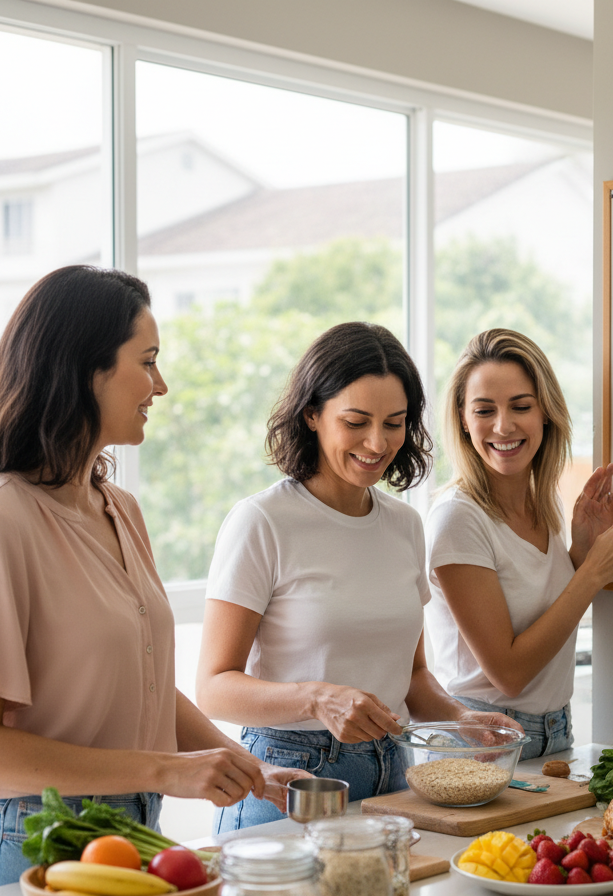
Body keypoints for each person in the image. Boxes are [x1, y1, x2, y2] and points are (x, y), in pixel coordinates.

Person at [0, 266, 308, 890]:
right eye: (147, 361)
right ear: (84, 369)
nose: (161, 385)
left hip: (130, 829)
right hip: (32, 840)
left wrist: (248, 769)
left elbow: (146, 686)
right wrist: (164, 771)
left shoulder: (119, 508)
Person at [195, 321, 520, 833]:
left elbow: (411, 675)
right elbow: (213, 687)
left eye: (394, 423)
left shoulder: (405, 525)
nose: (377, 442)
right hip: (291, 775)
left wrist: (460, 719)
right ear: (312, 415)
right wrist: (316, 698)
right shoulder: (262, 521)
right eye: (356, 421)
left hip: (394, 770)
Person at [425, 328, 613, 759]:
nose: (503, 426)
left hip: (556, 731)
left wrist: (580, 553)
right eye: (484, 410)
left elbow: (540, 610)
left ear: (546, 414)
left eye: (521, 406)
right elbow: (509, 673)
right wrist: (593, 573)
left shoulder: (544, 502)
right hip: (482, 740)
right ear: (463, 418)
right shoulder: (457, 518)